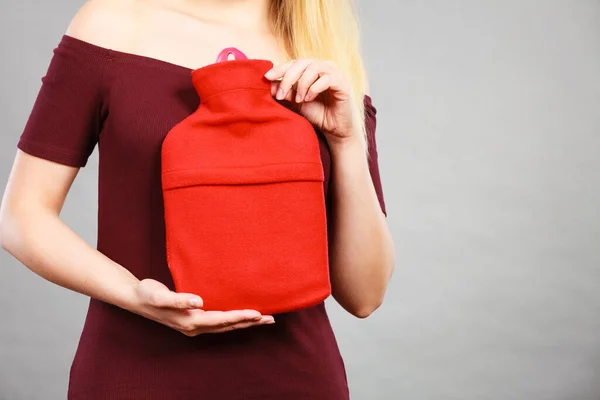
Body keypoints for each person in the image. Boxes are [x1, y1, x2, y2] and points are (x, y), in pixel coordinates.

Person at [0, 0, 395, 398]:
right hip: (134, 376)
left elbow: (365, 295)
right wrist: (134, 295)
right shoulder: (113, 23)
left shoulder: (324, 50)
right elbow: (21, 217)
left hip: (297, 381)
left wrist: (346, 141)